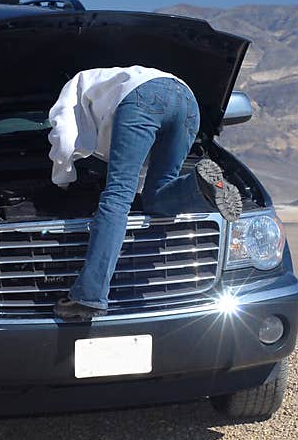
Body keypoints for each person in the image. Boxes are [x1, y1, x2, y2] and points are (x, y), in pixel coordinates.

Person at [47, 65, 242, 321]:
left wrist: (62, 180)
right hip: (187, 101)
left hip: (143, 98)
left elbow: (64, 136)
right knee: (158, 196)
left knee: (117, 196)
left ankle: (89, 297)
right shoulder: (111, 78)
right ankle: (198, 187)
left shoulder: (73, 86)